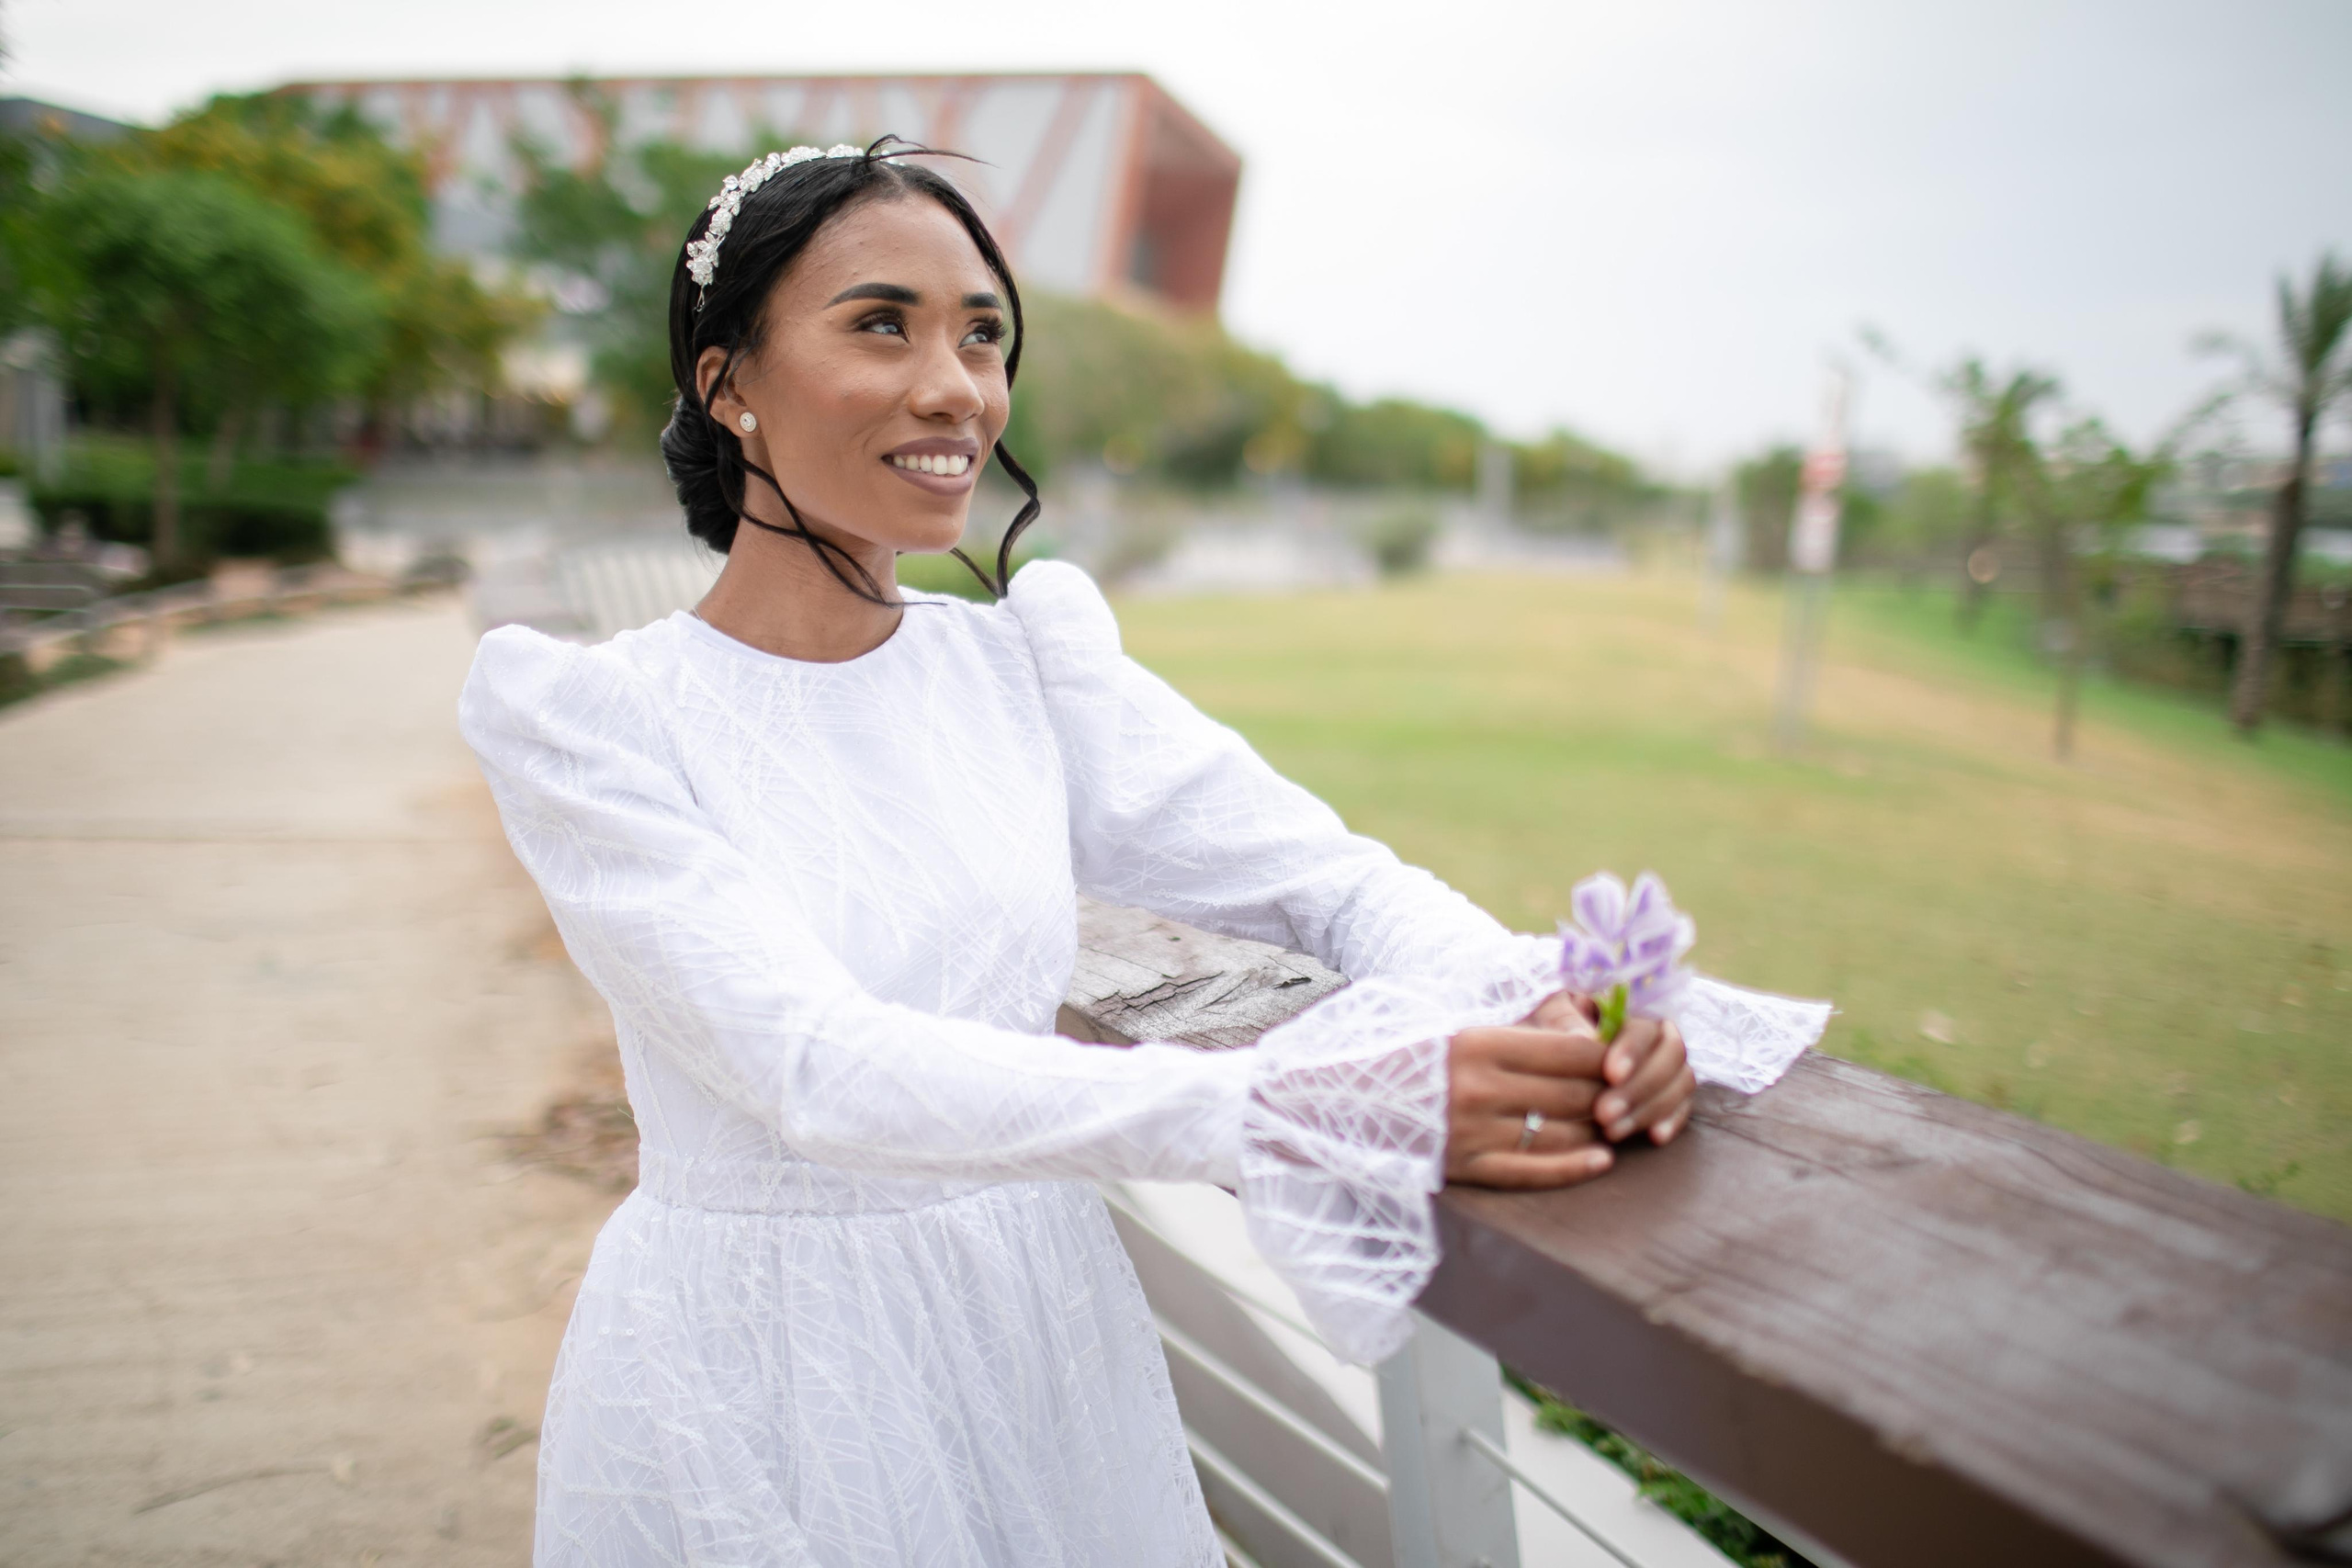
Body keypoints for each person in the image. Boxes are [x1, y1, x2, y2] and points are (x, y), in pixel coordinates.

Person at [459, 140, 1823, 1567]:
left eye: (984, 336)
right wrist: (1296, 1109)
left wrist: (1546, 1012)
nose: (957, 388)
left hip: (1042, 1331)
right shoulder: (589, 719)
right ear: (726, 380)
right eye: (884, 324)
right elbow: (810, 1065)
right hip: (765, 1370)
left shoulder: (1028, 669)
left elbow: (1327, 881)